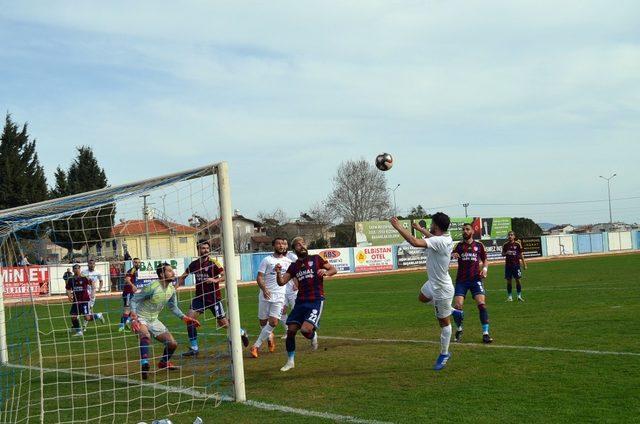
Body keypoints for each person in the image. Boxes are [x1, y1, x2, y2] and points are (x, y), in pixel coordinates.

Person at [391, 213, 454, 371]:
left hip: (442, 289)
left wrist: (398, 227)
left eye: (432, 224)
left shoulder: (439, 241)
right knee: (422, 297)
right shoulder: (446, 237)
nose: (430, 226)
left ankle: (444, 353)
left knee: (444, 324)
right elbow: (433, 236)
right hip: (433, 283)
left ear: (437, 226)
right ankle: (453, 310)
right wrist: (421, 229)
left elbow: (414, 242)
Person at [275, 237, 337, 372]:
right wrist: (278, 272)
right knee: (290, 331)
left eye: (303, 244)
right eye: (298, 245)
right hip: (300, 302)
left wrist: (326, 272)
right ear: (294, 249)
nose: (302, 246)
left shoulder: (316, 259)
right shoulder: (294, 266)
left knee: (305, 330)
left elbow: (333, 269)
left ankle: (313, 335)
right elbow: (281, 282)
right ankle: (290, 361)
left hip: (315, 300)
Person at [129, 262, 200, 380]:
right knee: (145, 336)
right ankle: (145, 364)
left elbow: (173, 307)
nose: (173, 273)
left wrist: (185, 318)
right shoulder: (152, 287)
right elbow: (134, 300)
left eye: (172, 270)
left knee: (172, 344)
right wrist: (134, 317)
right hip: (141, 317)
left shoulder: (171, 289)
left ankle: (163, 362)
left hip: (154, 320)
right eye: (170, 271)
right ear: (162, 274)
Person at [178, 240, 248, 357]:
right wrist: (174, 288)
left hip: (213, 298)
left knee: (223, 323)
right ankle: (194, 348)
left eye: (207, 248)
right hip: (199, 298)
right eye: (202, 248)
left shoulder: (214, 263)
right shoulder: (194, 264)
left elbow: (226, 275)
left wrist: (215, 280)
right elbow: (183, 276)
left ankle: (241, 332)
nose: (205, 250)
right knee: (189, 320)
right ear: (198, 249)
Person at [249, 237, 296, 358]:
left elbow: (293, 275)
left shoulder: (288, 262)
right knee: (263, 322)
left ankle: (255, 346)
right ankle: (269, 336)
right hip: (265, 295)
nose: (281, 246)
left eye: (283, 244)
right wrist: (264, 289)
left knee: (273, 322)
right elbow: (259, 276)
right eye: (278, 244)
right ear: (274, 246)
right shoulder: (267, 260)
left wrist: (296, 283)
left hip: (280, 296)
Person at [451, 223, 493, 344]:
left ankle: (485, 333)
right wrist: (452, 255)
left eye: (467, 229)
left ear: (472, 232)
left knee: (481, 304)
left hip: (476, 279)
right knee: (458, 306)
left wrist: (484, 270)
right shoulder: (458, 245)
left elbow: (485, 260)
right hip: (461, 280)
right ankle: (459, 329)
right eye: (463, 229)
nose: (465, 231)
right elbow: (451, 255)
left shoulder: (479, 245)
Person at [65, 264, 105, 336]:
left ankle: (98, 315)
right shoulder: (71, 279)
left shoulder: (84, 278)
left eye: (77, 268)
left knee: (87, 318)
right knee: (73, 317)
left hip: (85, 301)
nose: (76, 270)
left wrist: (93, 292)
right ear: (73, 270)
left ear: (80, 269)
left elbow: (92, 283)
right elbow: (68, 289)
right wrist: (69, 295)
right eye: (75, 268)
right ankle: (79, 332)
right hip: (76, 301)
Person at [502, 231, 527, 301]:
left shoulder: (518, 244)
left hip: (516, 265)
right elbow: (502, 254)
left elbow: (521, 255)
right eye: (509, 235)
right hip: (508, 266)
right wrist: (506, 253)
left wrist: (524, 264)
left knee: (518, 280)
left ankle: (519, 296)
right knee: (509, 281)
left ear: (514, 236)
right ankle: (510, 297)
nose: (510, 236)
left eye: (511, 235)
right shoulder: (505, 245)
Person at [118, 257, 141, 331]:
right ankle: (121, 326)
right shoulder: (132, 270)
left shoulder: (134, 270)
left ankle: (126, 323)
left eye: (138, 262)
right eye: (136, 262)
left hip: (130, 292)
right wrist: (133, 286)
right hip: (128, 292)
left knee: (132, 309)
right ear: (133, 263)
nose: (137, 264)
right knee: (127, 310)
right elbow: (127, 279)